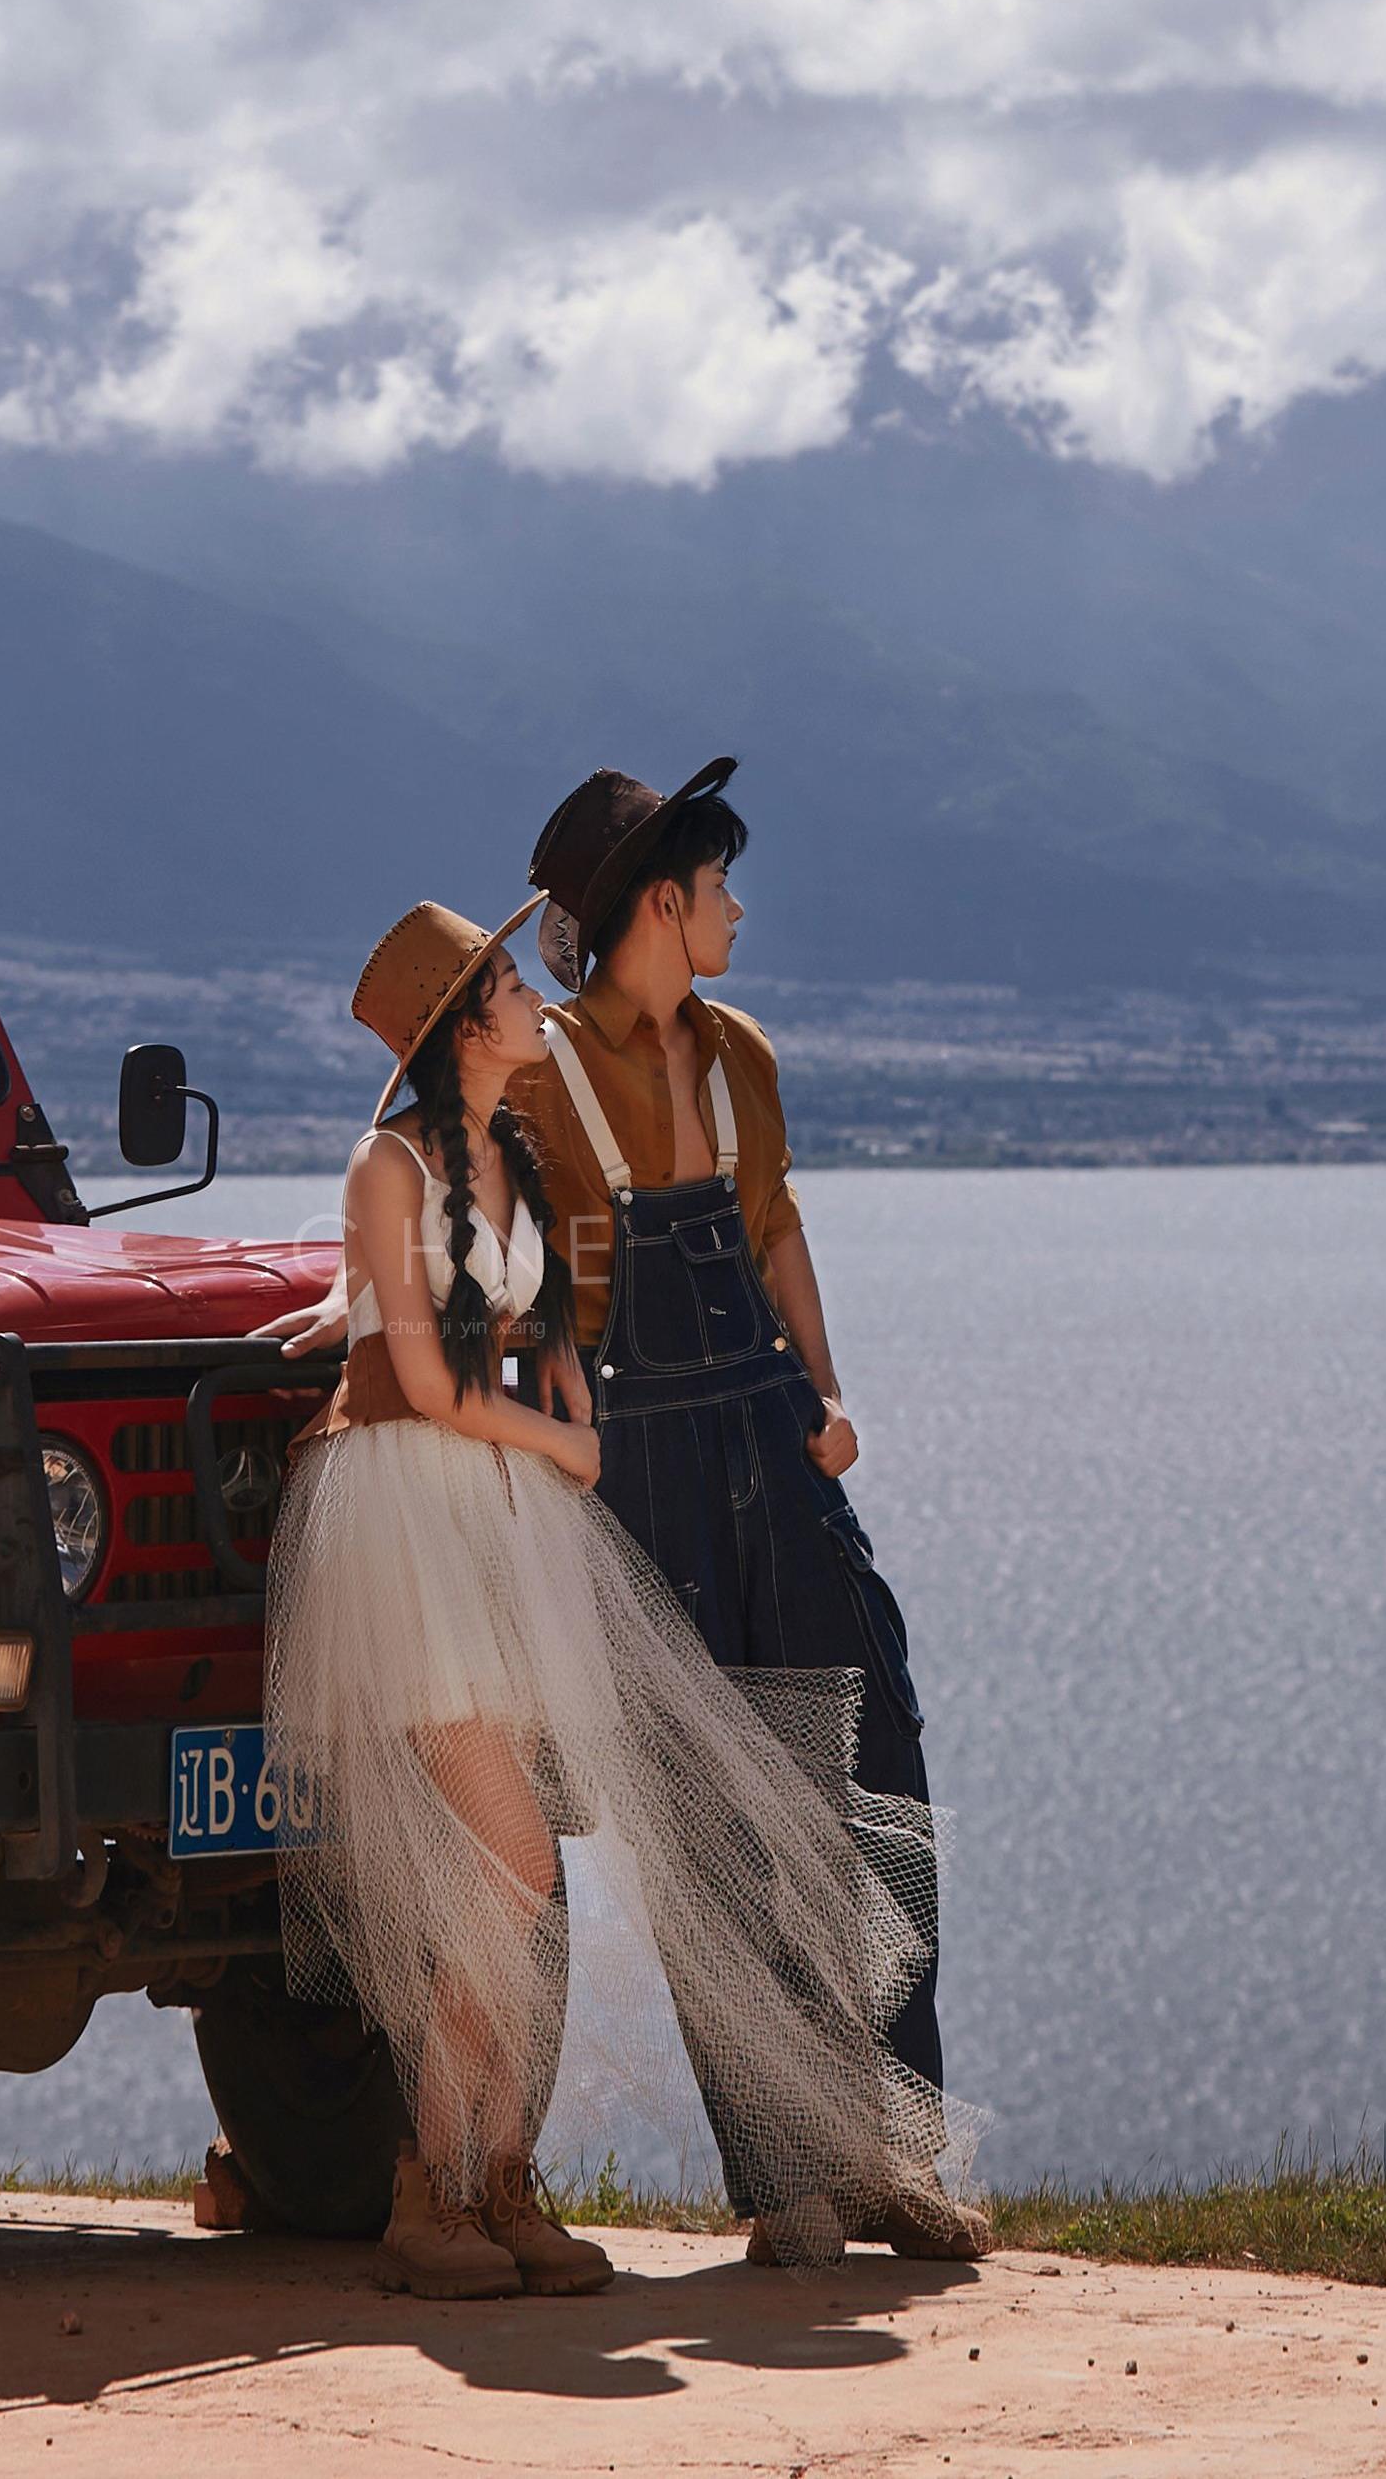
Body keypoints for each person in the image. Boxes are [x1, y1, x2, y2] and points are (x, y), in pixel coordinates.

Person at [260, 895, 955, 2299]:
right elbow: (436, 1377)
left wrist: (562, 1375)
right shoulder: (386, 1167)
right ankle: (427, 2191)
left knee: (518, 1878)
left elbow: (526, 1312)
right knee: (512, 1861)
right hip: (414, 1514)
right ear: (461, 1025)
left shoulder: (514, 1152)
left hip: (501, 1514)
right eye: (506, 983)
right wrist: (566, 1439)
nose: (532, 996)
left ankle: (498, 2182)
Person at [507, 761, 989, 2266]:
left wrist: (831, 1409)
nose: (737, 911)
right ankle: (787, 2189)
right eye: (719, 887)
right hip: (638, 1472)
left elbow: (776, 1231)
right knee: (710, 1829)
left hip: (775, 1445)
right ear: (660, 901)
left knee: (874, 1770)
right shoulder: (543, 1078)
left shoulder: (744, 1058)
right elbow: (523, 1296)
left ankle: (899, 2156)